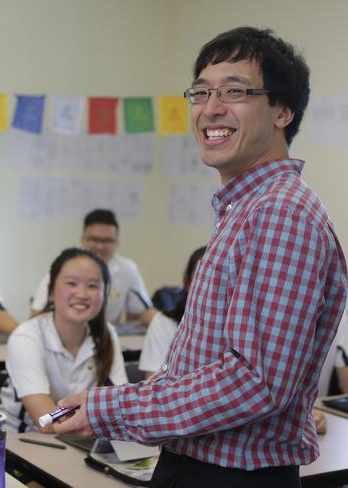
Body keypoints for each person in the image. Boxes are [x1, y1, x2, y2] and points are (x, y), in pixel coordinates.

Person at [54, 27, 347, 488]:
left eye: (235, 91)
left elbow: (255, 382)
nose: (210, 108)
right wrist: (111, 406)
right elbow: (201, 367)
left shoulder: (280, 214)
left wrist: (111, 407)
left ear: (283, 111)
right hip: (201, 465)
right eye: (201, 91)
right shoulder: (247, 209)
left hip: (231, 476)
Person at [0, 248, 128, 433]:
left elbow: (121, 405)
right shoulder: (27, 336)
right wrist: (97, 416)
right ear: (50, 291)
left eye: (92, 285)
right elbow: (46, 421)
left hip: (81, 440)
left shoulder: (107, 333)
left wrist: (97, 416)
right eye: (72, 283)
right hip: (21, 441)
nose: (82, 294)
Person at [30, 209, 153, 326]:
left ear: (117, 242)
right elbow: (37, 314)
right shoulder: (64, 266)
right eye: (94, 239)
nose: (100, 246)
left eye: (107, 241)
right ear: (82, 239)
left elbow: (142, 311)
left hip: (105, 338)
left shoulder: (128, 269)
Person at [138, 246, 206, 377]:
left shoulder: (243, 329)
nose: (213, 290)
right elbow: (154, 383)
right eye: (203, 281)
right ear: (187, 283)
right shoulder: (165, 322)